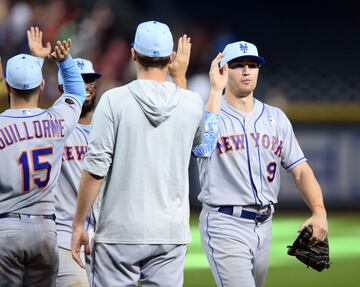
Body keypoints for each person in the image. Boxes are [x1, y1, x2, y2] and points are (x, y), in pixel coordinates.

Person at [71, 20, 226, 286]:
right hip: (170, 233)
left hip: (119, 233)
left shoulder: (113, 99)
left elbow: (96, 170)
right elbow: (205, 146)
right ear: (172, 57)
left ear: (133, 54)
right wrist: (214, 91)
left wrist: (78, 224)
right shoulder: (190, 102)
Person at [195, 41, 328, 287]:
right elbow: (203, 148)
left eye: (252, 65)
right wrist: (215, 91)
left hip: (265, 225)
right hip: (225, 224)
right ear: (222, 70)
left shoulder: (276, 118)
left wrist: (319, 210)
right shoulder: (208, 115)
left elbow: (300, 170)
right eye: (238, 65)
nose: (247, 71)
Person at [0, 26, 86, 286]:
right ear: (42, 84)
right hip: (46, 230)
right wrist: (64, 60)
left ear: (6, 86)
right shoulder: (57, 121)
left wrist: (35, 60)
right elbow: (76, 92)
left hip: (6, 228)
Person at [55, 58, 101, 287]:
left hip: (105, 237)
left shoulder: (108, 127)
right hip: (64, 234)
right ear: (62, 88)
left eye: (90, 79)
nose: (85, 86)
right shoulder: (53, 128)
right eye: (78, 81)